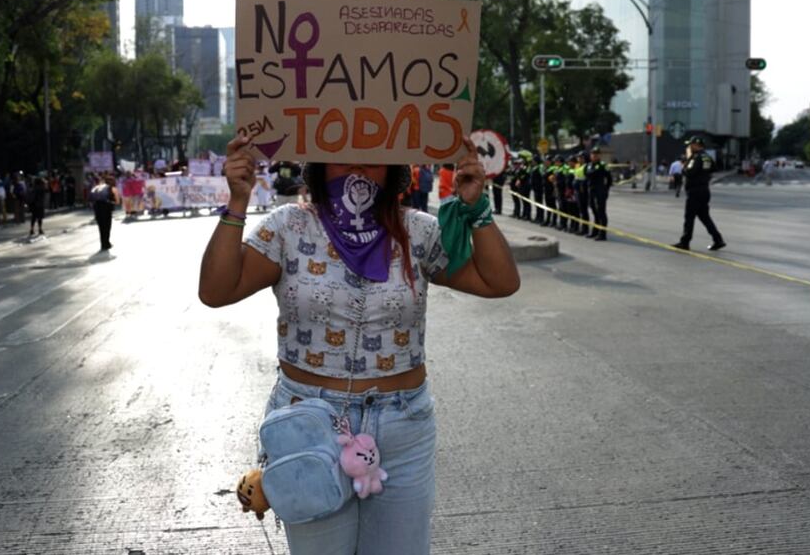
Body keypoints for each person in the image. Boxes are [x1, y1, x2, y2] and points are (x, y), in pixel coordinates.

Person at [199, 135, 519, 555]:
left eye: (373, 157)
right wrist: (237, 202)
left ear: (393, 167)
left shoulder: (418, 231)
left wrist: (477, 208)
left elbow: (499, 282)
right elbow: (217, 290)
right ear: (316, 164)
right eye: (339, 157)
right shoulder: (287, 227)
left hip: (402, 427)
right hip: (309, 428)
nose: (357, 167)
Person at [673, 137, 725, 251]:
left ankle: (685, 242)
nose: (689, 147)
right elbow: (714, 168)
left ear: (696, 145)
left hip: (694, 191)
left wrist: (686, 161)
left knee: (689, 217)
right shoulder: (707, 156)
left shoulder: (696, 157)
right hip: (704, 190)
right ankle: (718, 239)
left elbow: (688, 172)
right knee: (705, 217)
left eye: (691, 145)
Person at [585, 147, 612, 241]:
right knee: (594, 211)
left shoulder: (603, 165)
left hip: (600, 191)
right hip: (591, 190)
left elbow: (609, 179)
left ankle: (602, 234)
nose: (594, 156)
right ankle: (595, 231)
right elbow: (587, 175)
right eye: (593, 154)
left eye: (596, 154)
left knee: (601, 212)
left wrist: (606, 189)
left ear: (600, 155)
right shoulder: (588, 165)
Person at [90, 174, 120, 251]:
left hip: (97, 208)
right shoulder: (112, 188)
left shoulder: (96, 188)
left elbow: (91, 199)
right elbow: (117, 202)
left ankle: (102, 243)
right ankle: (106, 243)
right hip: (107, 208)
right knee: (107, 226)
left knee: (101, 227)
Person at [572, 152, 590, 236]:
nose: (579, 159)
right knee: (579, 210)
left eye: (581, 157)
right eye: (578, 157)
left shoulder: (586, 166)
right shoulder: (577, 165)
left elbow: (587, 179)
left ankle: (585, 229)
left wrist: (582, 185)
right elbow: (576, 176)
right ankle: (580, 227)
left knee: (584, 211)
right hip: (576, 190)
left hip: (583, 191)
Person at [529, 157, 544, 225]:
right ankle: (537, 217)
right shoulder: (534, 168)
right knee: (537, 203)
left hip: (539, 188)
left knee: (540, 203)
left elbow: (542, 176)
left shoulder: (540, 167)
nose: (532, 162)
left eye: (533, 161)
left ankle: (541, 218)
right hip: (535, 188)